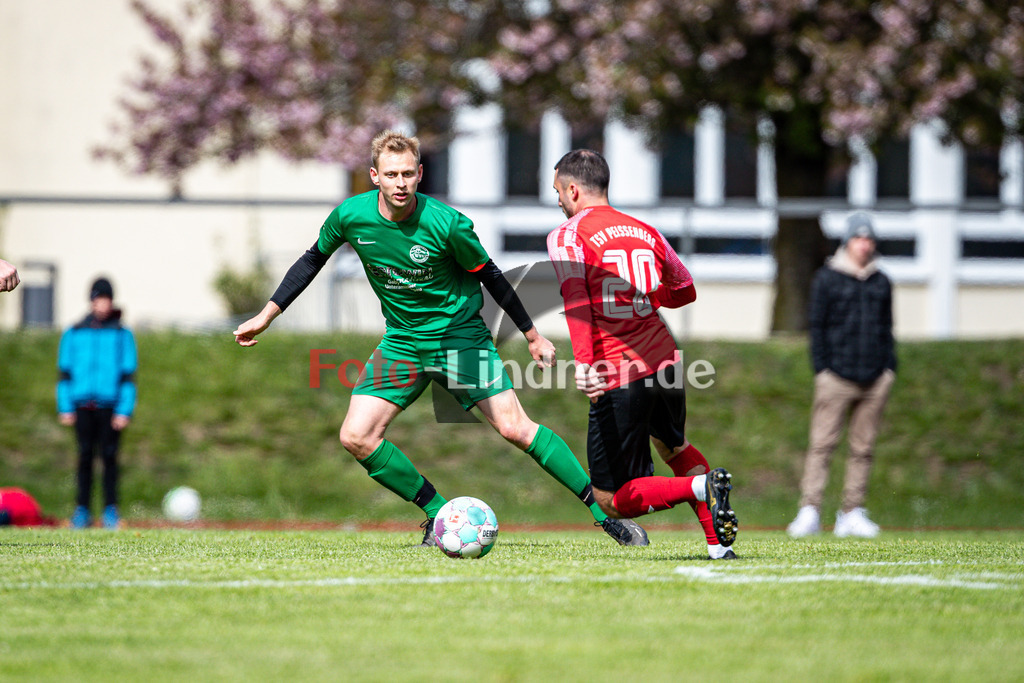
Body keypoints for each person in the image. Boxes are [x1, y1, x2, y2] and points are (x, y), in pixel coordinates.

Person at [232, 130, 647, 546]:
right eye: (391, 174)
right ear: (374, 175)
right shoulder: (350, 216)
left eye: (408, 174)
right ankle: (437, 515)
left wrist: (532, 335)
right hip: (403, 342)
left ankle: (604, 513)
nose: (400, 182)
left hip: (460, 338)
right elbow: (312, 260)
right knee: (356, 437)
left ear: (420, 175)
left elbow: (491, 277)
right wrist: (267, 315)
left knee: (515, 429)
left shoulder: (446, 223)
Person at [546, 149, 738, 559]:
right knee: (677, 448)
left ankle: (699, 487)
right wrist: (645, 296)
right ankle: (718, 546)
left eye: (558, 192)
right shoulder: (646, 230)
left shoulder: (568, 235)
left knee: (610, 499)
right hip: (666, 360)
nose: (558, 201)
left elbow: (576, 300)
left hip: (619, 369)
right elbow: (685, 290)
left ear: (573, 189)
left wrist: (584, 364)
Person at [787, 213, 896, 538]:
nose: (865, 245)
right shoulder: (827, 278)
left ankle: (852, 511)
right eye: (859, 238)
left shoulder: (881, 280)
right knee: (822, 445)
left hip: (875, 376)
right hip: (836, 376)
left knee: (863, 448)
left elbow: (887, 327)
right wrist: (822, 368)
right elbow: (816, 327)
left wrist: (889, 367)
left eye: (869, 239)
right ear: (848, 241)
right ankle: (810, 510)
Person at [58, 277, 138, 529]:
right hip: (82, 404)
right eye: (98, 298)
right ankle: (81, 510)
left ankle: (110, 510)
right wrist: (65, 406)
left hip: (110, 406)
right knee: (84, 457)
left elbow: (128, 375)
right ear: (91, 301)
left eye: (106, 298)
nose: (102, 304)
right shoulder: (74, 332)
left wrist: (124, 409)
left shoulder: (121, 333)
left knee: (110, 458)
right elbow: (65, 373)